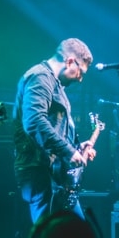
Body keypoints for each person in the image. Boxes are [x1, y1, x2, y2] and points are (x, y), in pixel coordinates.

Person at [12, 38, 97, 225]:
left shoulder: (54, 83)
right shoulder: (40, 78)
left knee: (74, 236)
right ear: (69, 62)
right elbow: (34, 122)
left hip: (53, 173)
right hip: (39, 171)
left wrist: (76, 146)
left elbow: (54, 130)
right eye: (81, 72)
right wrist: (69, 151)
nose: (81, 79)